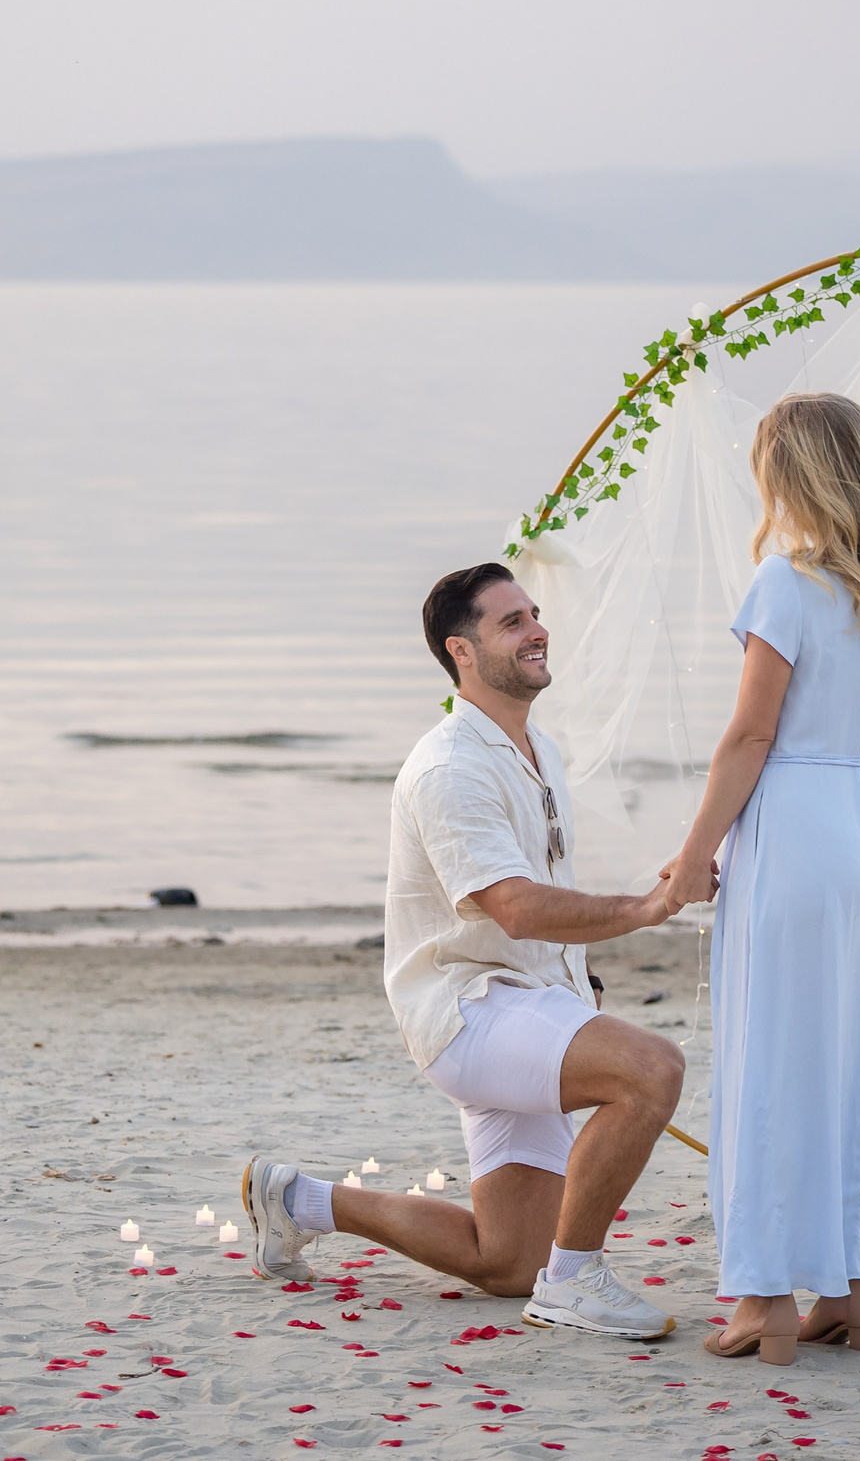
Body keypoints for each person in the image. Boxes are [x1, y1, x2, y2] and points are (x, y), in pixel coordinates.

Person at [242, 562, 690, 1341]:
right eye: (511, 622)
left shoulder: (538, 749)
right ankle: (576, 1281)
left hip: (533, 1006)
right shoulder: (449, 765)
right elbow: (513, 906)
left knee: (508, 1261)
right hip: (470, 1014)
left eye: (535, 614)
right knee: (652, 1069)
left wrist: (580, 985)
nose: (537, 629)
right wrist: (644, 906)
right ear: (461, 650)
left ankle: (299, 1200)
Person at [664, 391, 860, 1367]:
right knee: (859, 1062)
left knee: (775, 1062)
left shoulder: (786, 587)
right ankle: (852, 1296)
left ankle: (762, 1305)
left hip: (795, 827)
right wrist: (859, 822)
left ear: (790, 478)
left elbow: (750, 734)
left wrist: (695, 851)